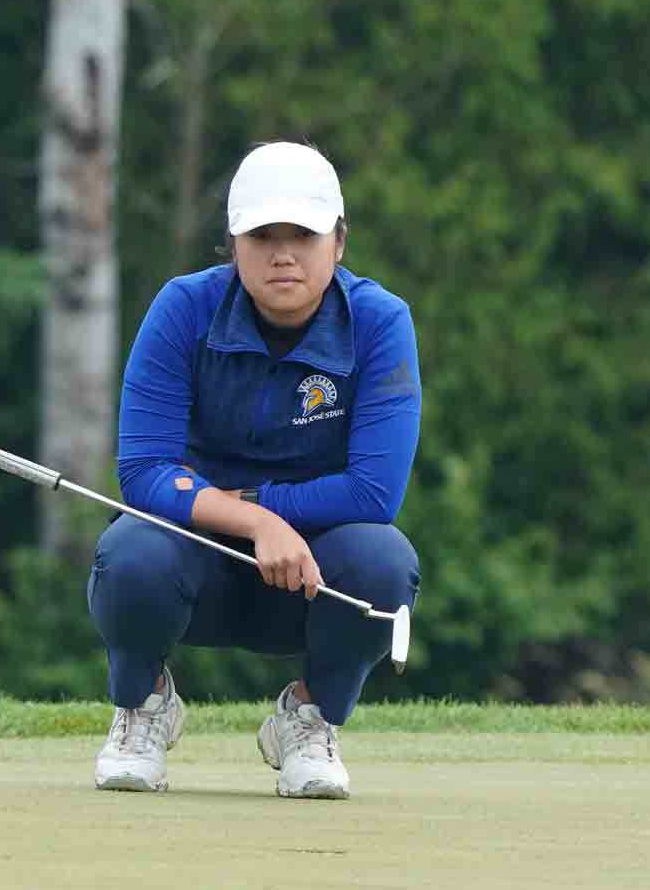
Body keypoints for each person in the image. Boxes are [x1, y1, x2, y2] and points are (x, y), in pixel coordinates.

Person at [86, 141, 423, 799]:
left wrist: (272, 517)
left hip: (313, 573)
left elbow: (374, 492)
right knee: (129, 552)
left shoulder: (381, 322)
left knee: (384, 561)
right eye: (263, 235)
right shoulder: (183, 308)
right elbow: (145, 472)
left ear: (340, 242)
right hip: (191, 561)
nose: (284, 253)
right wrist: (254, 519)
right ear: (234, 243)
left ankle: (310, 714)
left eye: (304, 234)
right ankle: (143, 705)